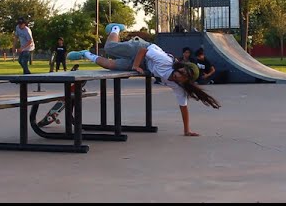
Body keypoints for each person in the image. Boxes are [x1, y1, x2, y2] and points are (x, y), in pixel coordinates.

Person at [67, 23, 220, 137]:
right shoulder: (165, 61)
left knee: (110, 65)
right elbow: (143, 51)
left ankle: (85, 53)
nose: (177, 76)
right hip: (141, 49)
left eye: (181, 77)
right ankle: (116, 28)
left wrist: (187, 130)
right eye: (179, 72)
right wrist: (135, 65)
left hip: (144, 63)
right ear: (180, 68)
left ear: (185, 81)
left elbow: (183, 107)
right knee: (110, 48)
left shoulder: (179, 86)